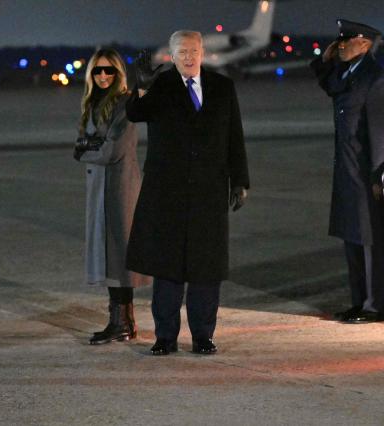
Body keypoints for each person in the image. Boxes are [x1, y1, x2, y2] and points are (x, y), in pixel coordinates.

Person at [125, 31, 250, 355]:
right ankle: (165, 337)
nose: (189, 57)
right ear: (171, 55)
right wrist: (141, 86)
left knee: (206, 269)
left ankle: (202, 336)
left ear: (202, 52)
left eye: (194, 51)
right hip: (168, 194)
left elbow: (234, 137)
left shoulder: (223, 87)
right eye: (182, 52)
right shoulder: (162, 86)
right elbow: (136, 114)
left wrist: (240, 180)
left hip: (209, 194)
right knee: (169, 269)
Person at [74, 48, 151, 345]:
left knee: (119, 256)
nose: (103, 76)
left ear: (119, 74)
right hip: (100, 190)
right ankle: (120, 322)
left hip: (120, 189)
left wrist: (86, 150)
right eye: (98, 71)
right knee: (108, 256)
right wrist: (89, 146)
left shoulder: (124, 104)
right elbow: (83, 143)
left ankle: (122, 323)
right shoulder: (91, 103)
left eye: (109, 71)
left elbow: (111, 150)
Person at [310, 19, 384, 323]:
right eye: (339, 40)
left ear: (365, 44)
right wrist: (324, 58)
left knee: (369, 242)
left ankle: (374, 305)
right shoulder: (348, 74)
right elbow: (328, 84)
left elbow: (380, 129)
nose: (341, 45)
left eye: (347, 40)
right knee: (352, 238)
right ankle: (359, 301)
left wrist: (381, 173)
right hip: (347, 171)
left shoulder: (374, 78)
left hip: (368, 173)